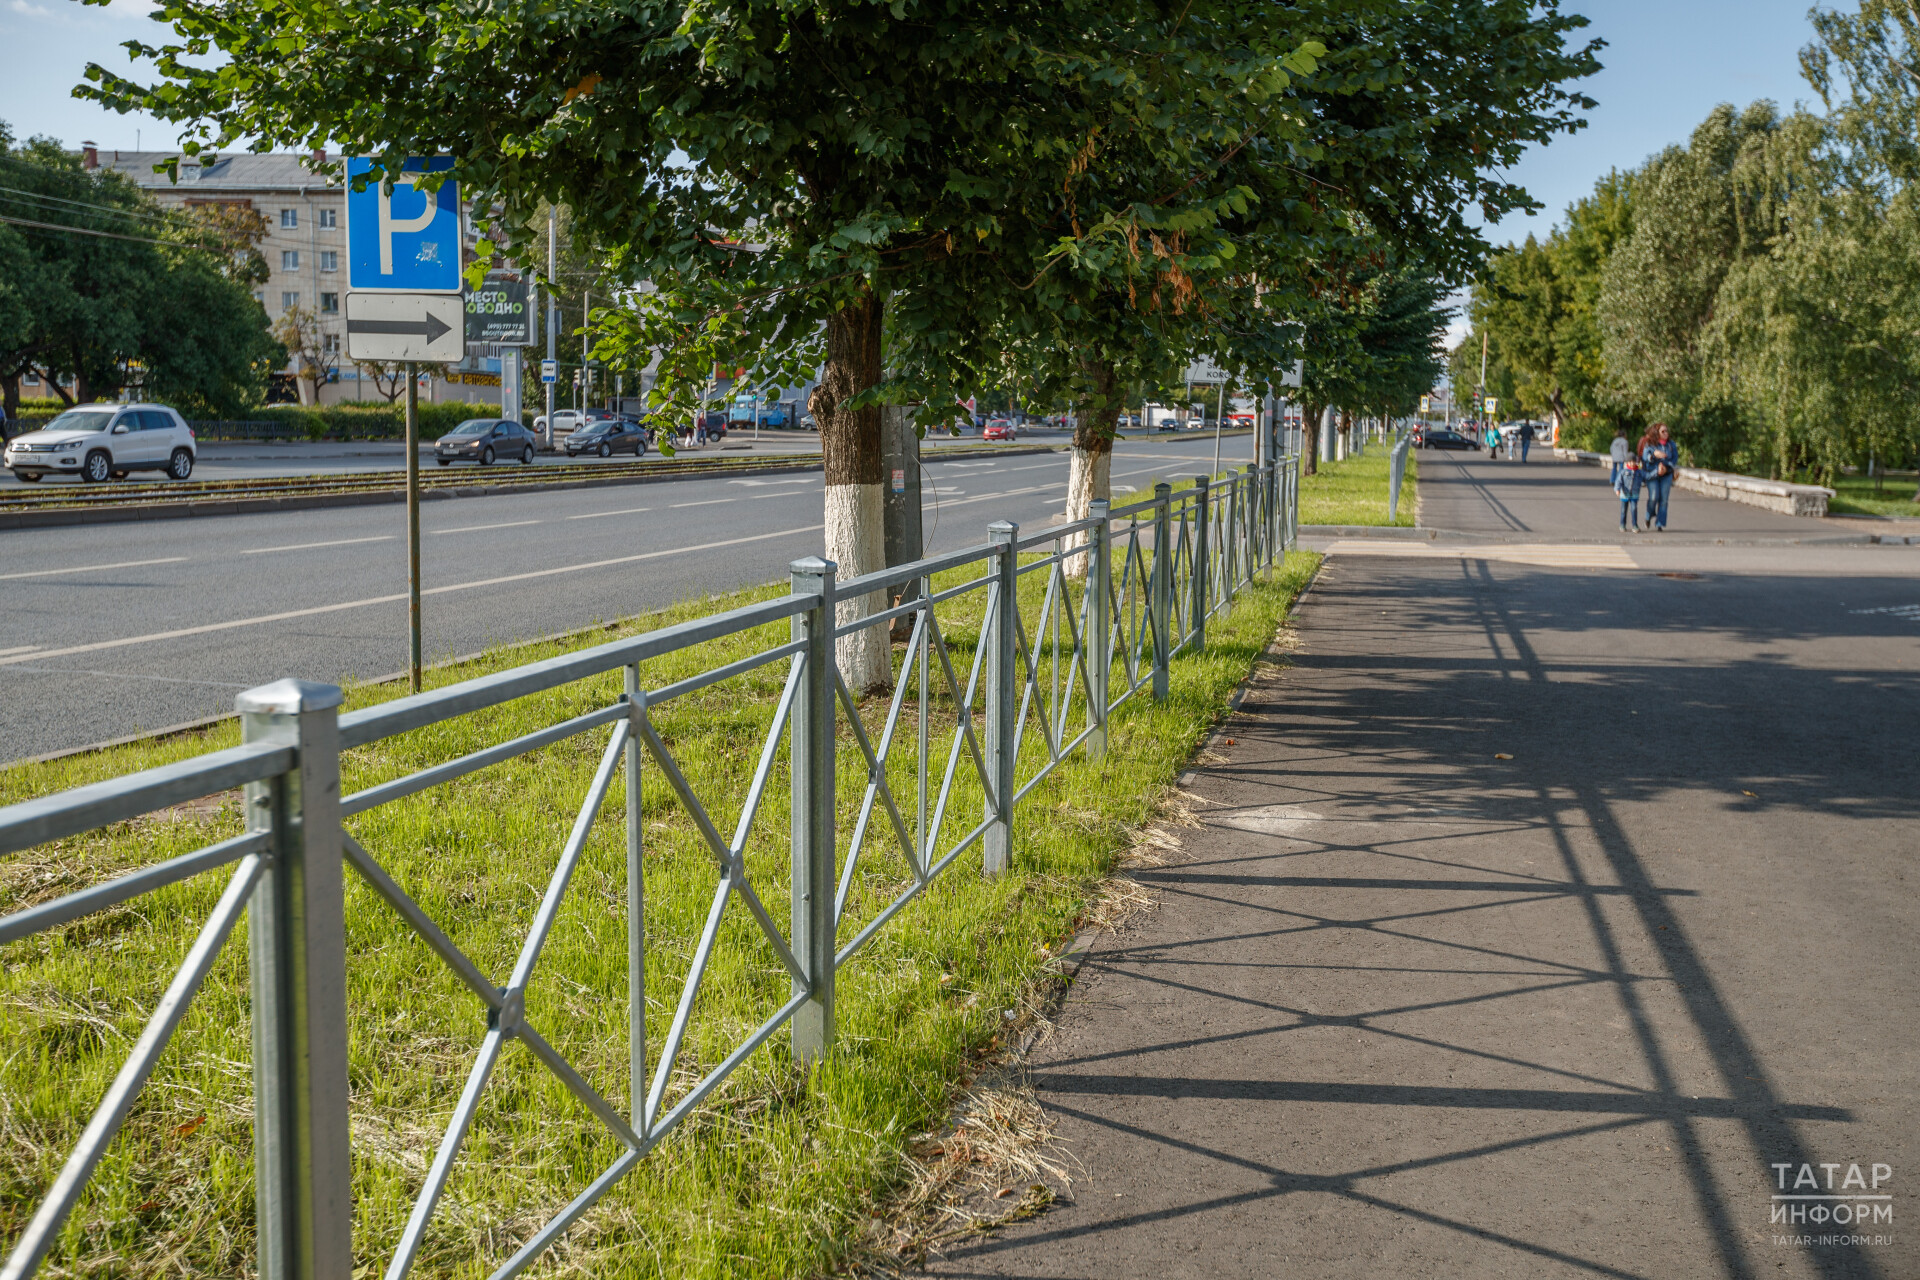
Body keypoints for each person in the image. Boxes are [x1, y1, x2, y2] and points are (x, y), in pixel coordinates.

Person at [1641, 422, 1679, 531]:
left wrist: (1666, 467)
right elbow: (1645, 459)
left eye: (1666, 431)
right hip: (1652, 474)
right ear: (1656, 433)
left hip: (1666, 475)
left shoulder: (1671, 445)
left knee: (1664, 500)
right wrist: (1654, 456)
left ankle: (1659, 523)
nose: (1666, 433)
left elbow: (1674, 459)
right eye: (1663, 431)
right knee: (1654, 497)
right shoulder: (1650, 444)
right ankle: (1648, 515)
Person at [1615, 453, 1643, 532]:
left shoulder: (1639, 472)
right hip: (1625, 494)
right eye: (1630, 462)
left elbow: (1646, 477)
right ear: (1627, 462)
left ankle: (1635, 525)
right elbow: (1618, 481)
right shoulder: (1623, 472)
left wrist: (1656, 473)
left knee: (1634, 509)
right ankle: (1622, 524)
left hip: (1634, 494)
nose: (1632, 463)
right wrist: (1617, 489)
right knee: (1623, 510)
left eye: (1633, 461)